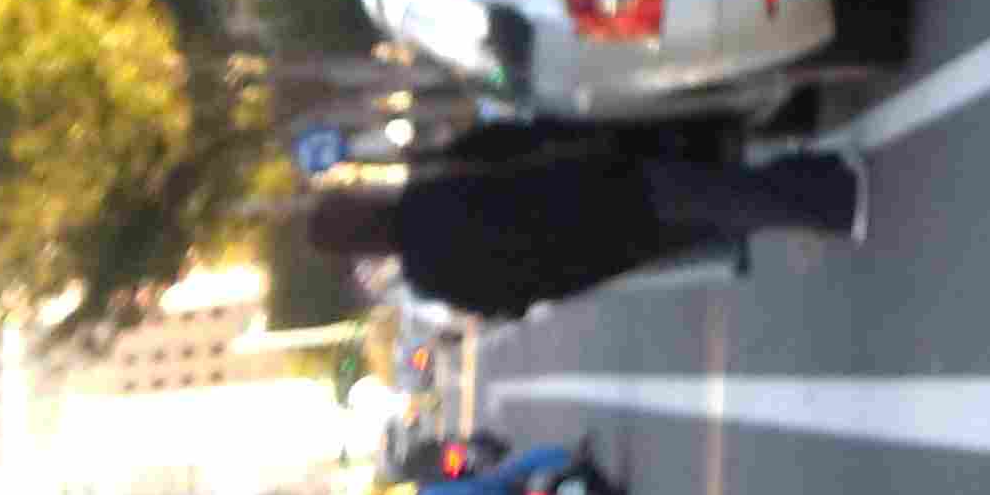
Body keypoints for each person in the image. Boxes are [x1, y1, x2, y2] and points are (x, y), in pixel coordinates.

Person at [303, 135, 865, 325]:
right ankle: (835, 201)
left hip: (584, 259)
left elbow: (506, 303)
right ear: (361, 203)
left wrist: (555, 277)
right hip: (586, 191)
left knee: (708, 217)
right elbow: (508, 152)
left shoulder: (426, 278)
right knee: (712, 194)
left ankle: (822, 180)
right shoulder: (428, 190)